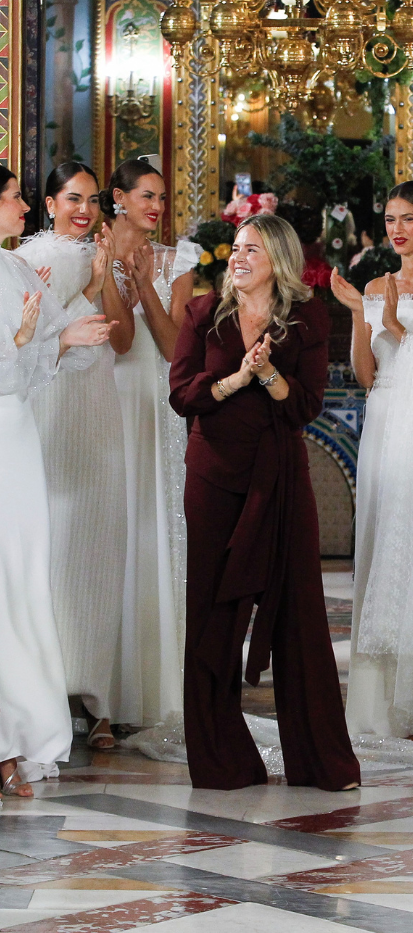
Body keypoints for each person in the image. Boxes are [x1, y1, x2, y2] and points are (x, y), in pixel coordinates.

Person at [169, 213, 360, 791]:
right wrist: (232, 382)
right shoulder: (203, 314)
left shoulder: (309, 318)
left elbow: (304, 406)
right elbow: (181, 394)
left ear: (278, 259)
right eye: (236, 248)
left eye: (252, 249)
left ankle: (321, 762)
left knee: (301, 612)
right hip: (212, 475)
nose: (238, 257)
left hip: (279, 474)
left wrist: (269, 372)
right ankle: (220, 759)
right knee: (211, 611)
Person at [330, 180, 413, 738]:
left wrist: (392, 324)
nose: (397, 228)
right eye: (390, 218)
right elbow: (367, 375)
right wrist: (365, 317)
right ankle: (377, 700)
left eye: (409, 218)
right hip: (387, 423)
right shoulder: (377, 283)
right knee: (383, 536)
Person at [0, 167, 115, 798]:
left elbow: (34, 360)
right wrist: (43, 342)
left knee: (22, 581)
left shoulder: (18, 272)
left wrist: (59, 339)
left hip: (18, 437)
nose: (22, 207)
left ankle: (18, 735)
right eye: (13, 197)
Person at [104, 159, 201, 727]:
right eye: (146, 195)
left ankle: (153, 684)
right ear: (118, 197)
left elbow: (172, 350)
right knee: (111, 529)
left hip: (156, 404)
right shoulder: (86, 253)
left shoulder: (177, 261)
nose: (157, 206)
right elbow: (113, 343)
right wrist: (112, 275)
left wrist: (144, 282)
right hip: (105, 398)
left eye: (162, 197)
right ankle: (98, 690)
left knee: (156, 528)